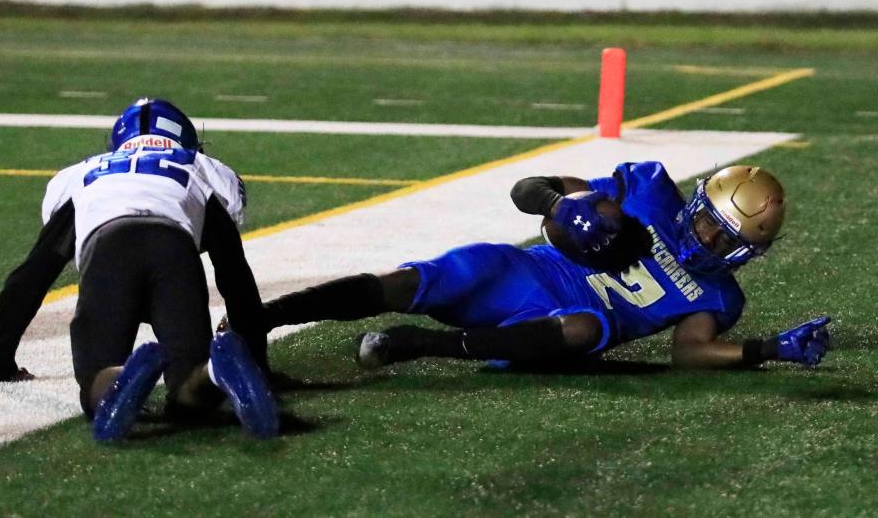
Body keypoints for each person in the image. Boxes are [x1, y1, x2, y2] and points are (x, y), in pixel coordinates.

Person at [255, 161, 830, 371]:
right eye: (707, 222)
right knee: (412, 280)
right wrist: (558, 206)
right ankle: (268, 315)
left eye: (724, 240)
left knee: (589, 327)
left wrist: (767, 350)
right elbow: (527, 188)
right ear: (696, 201)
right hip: (528, 274)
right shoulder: (649, 194)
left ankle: (413, 345)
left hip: (572, 321)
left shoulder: (720, 297)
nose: (706, 239)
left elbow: (689, 350)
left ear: (745, 252)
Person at [0, 97, 279, 441]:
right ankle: (214, 372)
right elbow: (234, 275)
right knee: (189, 392)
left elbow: (31, 276)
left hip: (109, 250)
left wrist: (1, 360)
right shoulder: (198, 167)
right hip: (173, 251)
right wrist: (257, 358)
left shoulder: (83, 174)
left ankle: (121, 377)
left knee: (97, 387)